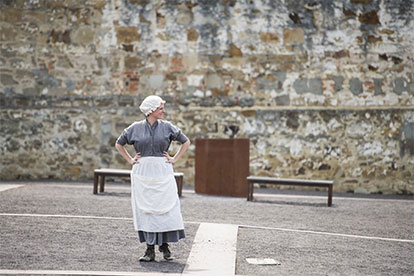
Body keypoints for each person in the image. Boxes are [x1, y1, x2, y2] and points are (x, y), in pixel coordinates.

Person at [115, 95, 190, 262]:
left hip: (162, 170)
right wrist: (130, 160)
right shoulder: (134, 128)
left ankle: (164, 246)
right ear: (151, 110)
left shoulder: (168, 127)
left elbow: (186, 142)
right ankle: (149, 249)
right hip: (142, 171)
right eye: (160, 108)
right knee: (146, 210)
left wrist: (174, 159)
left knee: (165, 207)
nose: (163, 111)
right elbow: (119, 143)